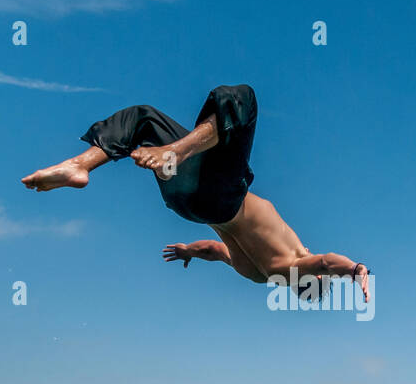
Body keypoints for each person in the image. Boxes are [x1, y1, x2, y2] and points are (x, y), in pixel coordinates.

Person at [22, 85, 370, 301]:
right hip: (187, 203)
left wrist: (355, 271)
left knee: (241, 100)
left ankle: (175, 152)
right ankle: (80, 165)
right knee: (144, 119)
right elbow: (214, 250)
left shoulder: (296, 263)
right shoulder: (257, 274)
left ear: (311, 279)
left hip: (222, 196)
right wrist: (188, 250)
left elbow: (326, 262)